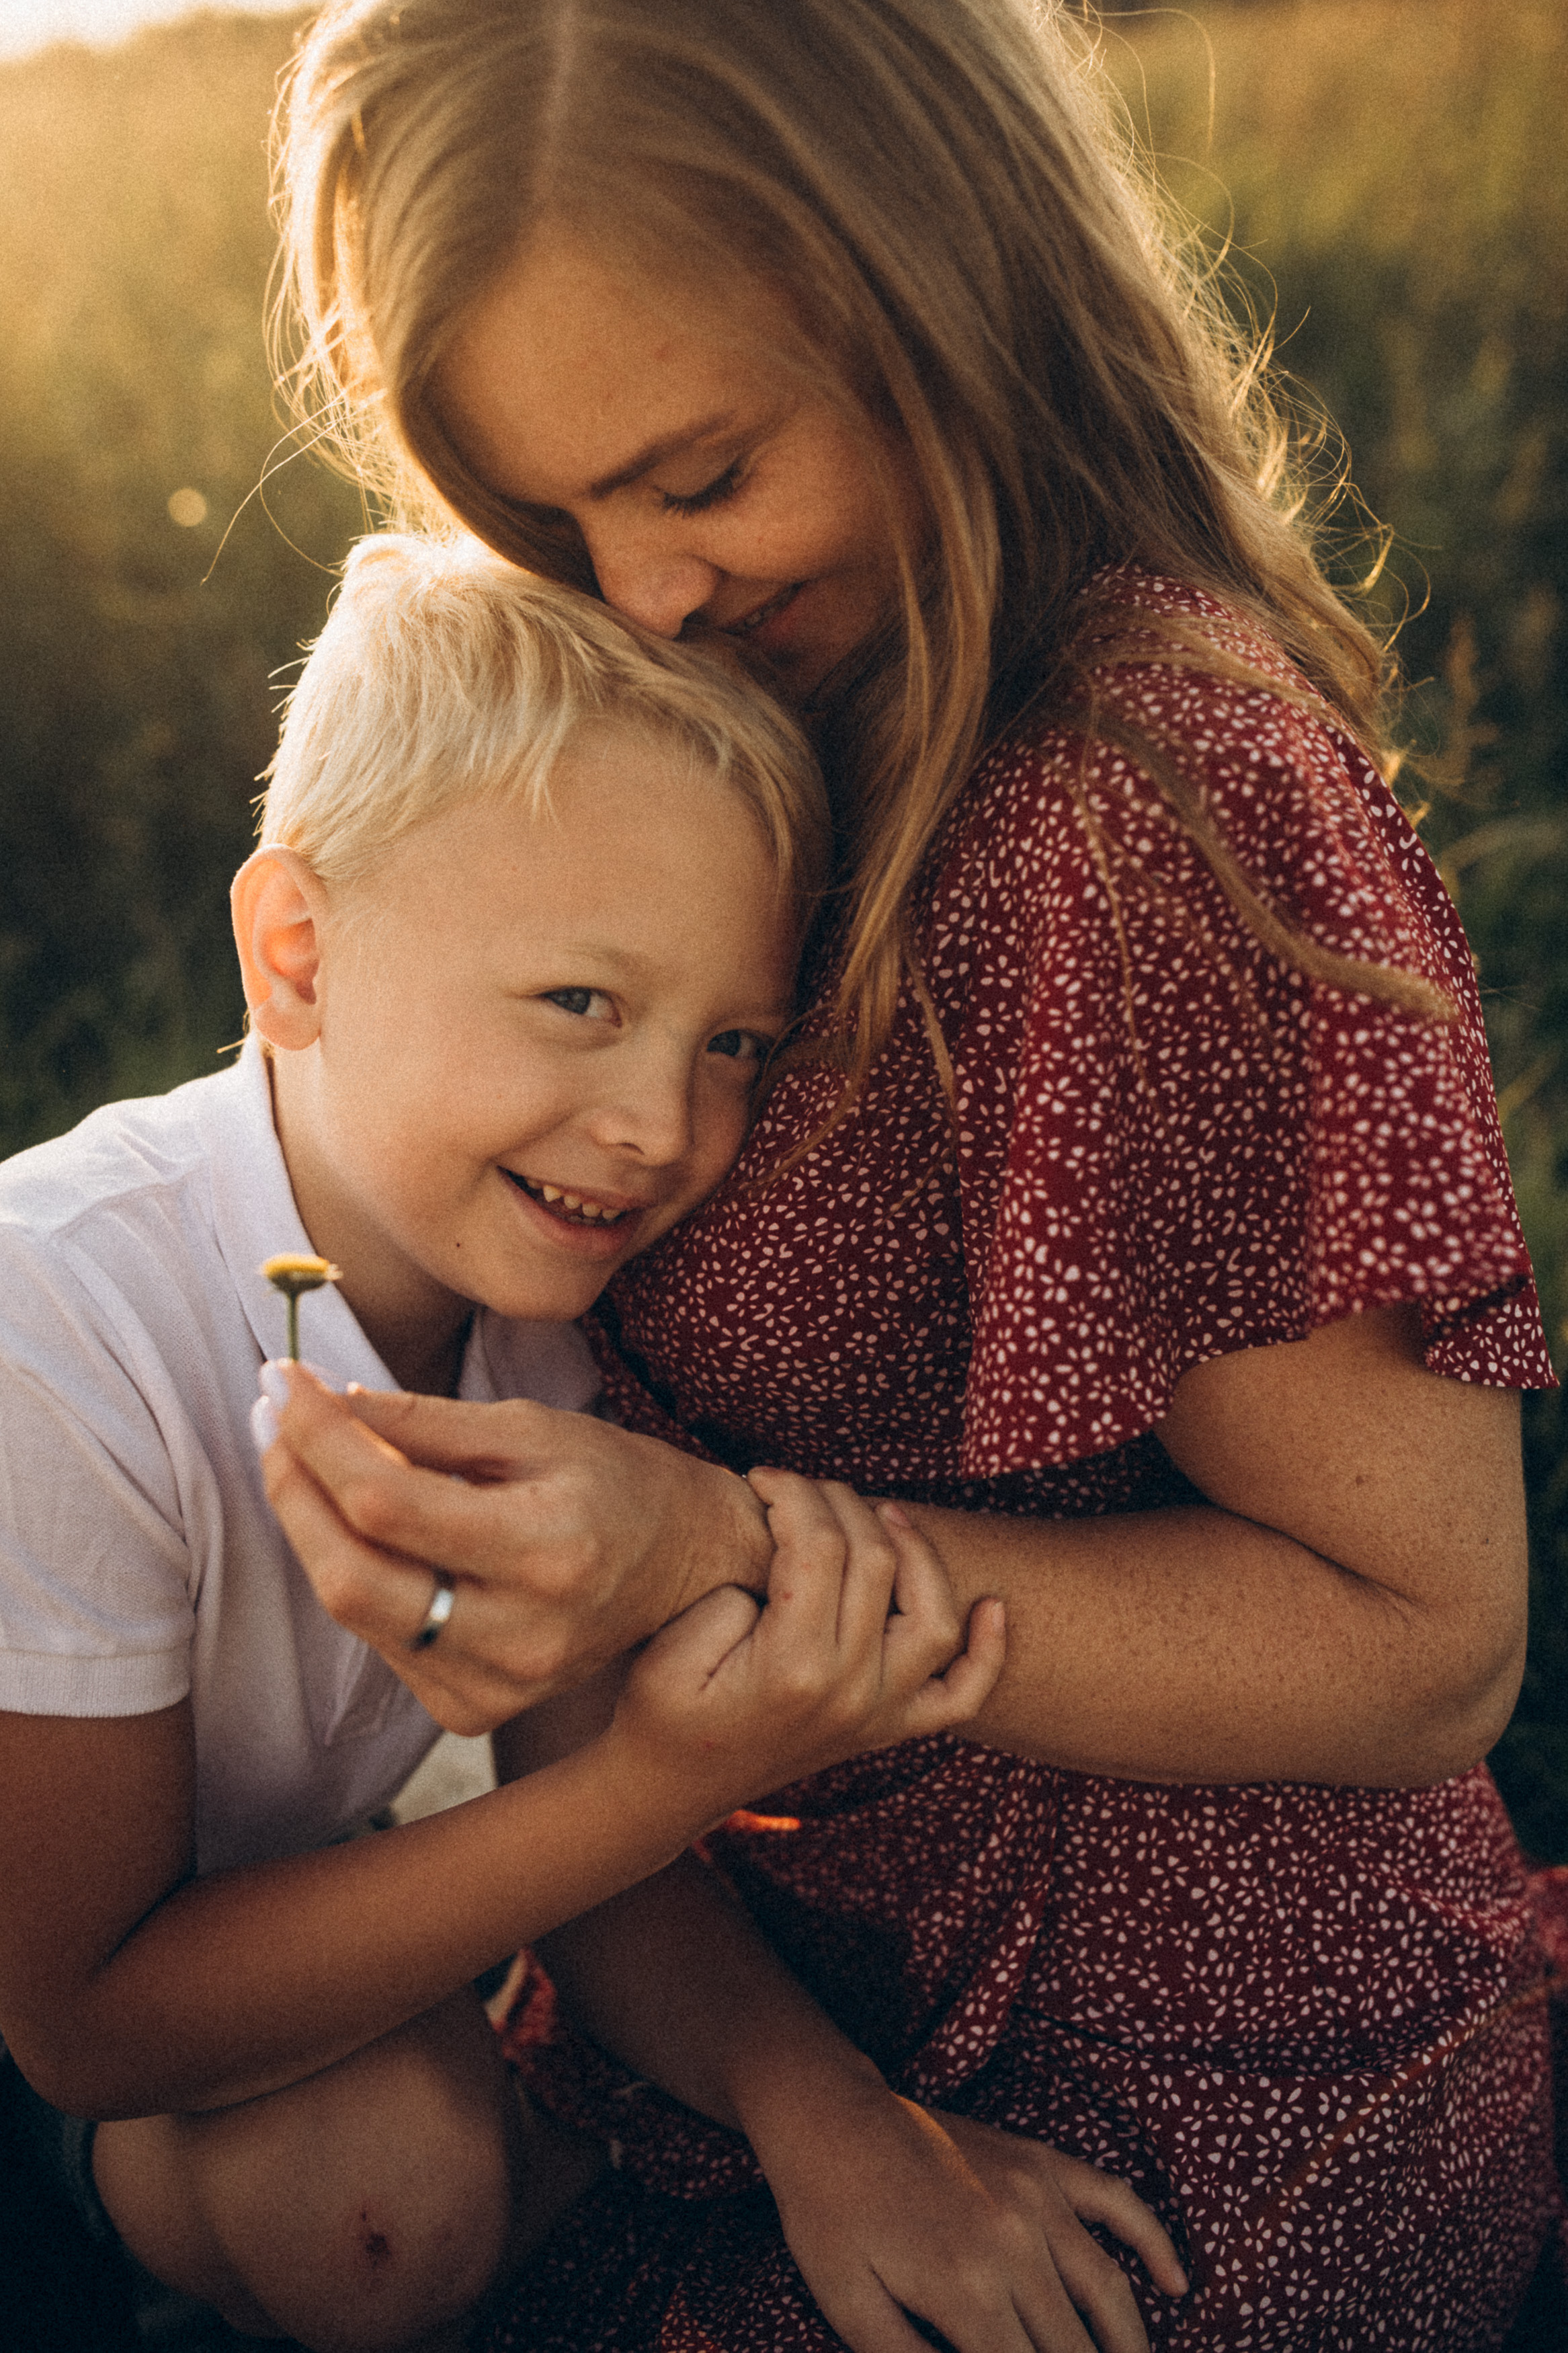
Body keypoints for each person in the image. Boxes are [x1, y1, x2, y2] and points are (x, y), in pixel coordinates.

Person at [263, 1, 1562, 2347]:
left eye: (705, 470)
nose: (640, 593)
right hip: (775, 1958)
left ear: (941, 283)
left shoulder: (1133, 804)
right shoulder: (743, 724)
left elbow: (1424, 1638)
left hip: (1178, 2053)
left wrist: (734, 1558)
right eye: (551, 517)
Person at [0, 532, 1036, 2353]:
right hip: (58, 2023)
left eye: (732, 1041)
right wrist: (661, 1775)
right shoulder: (57, 1326)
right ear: (297, 952)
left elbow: (581, 1819)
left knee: (489, 2152)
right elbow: (80, 2017)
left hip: (242, 1943)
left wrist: (836, 2130)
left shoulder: (540, 1302)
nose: (659, 1127)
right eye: (582, 1003)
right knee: (381, 2200)